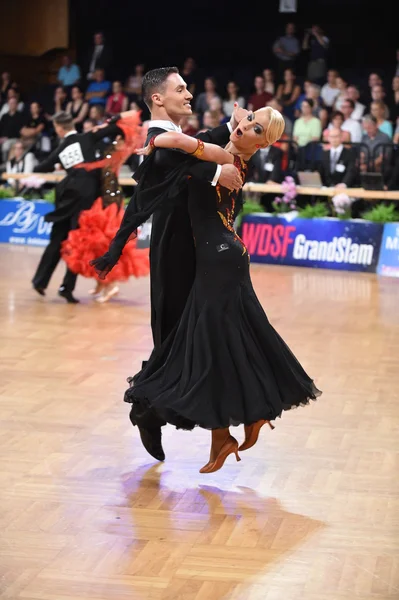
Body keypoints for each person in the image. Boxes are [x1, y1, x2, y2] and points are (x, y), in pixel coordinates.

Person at [93, 106, 321, 474]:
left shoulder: (225, 159)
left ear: (263, 143)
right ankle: (234, 428)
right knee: (226, 343)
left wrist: (154, 142)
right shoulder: (231, 155)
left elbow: (182, 144)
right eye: (248, 119)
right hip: (224, 257)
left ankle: (241, 420)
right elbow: (195, 148)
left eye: (255, 128)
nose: (245, 126)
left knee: (208, 347)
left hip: (218, 261)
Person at [89, 66, 245, 461]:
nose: (189, 94)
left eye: (188, 87)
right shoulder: (157, 140)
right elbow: (185, 164)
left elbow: (197, 146)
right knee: (176, 338)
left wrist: (232, 130)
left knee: (200, 336)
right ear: (158, 98)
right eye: (181, 89)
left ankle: (204, 422)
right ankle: (148, 408)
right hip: (176, 251)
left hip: (197, 249)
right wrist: (217, 170)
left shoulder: (173, 138)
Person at [31, 111, 126, 303]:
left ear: (58, 128)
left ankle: (40, 281)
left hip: (67, 197)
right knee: (77, 241)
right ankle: (66, 287)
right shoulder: (87, 137)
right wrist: (111, 121)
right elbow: (116, 127)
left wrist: (58, 166)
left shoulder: (61, 147)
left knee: (57, 238)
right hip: (87, 195)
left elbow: (42, 167)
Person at [61, 122, 150, 303]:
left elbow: (132, 135)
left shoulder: (121, 151)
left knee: (109, 245)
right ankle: (102, 283)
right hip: (101, 200)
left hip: (111, 202)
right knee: (96, 245)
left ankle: (112, 285)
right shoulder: (106, 148)